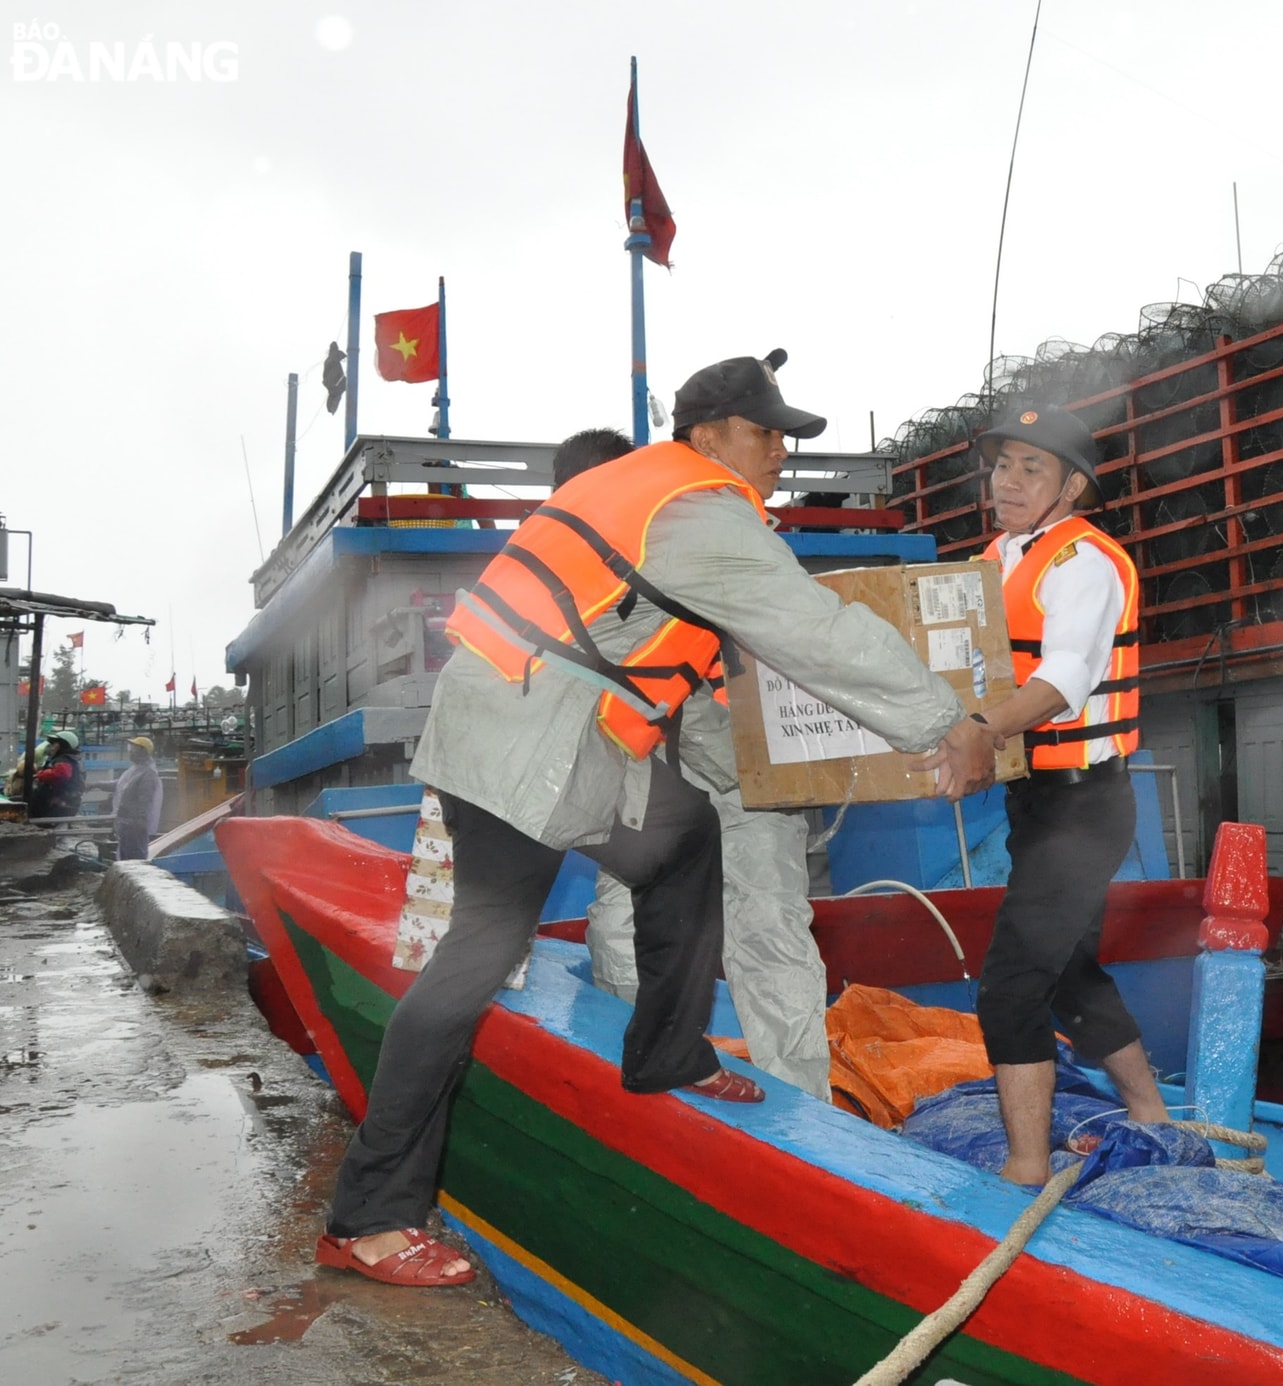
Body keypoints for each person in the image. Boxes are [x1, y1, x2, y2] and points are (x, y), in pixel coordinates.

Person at [316, 351, 1000, 1287]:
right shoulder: (697, 508)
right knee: (469, 964)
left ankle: (666, 1053)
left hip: (542, 730)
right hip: (523, 745)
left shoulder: (651, 493)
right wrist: (944, 723)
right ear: (712, 433)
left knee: (684, 846)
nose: (779, 456)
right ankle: (370, 1219)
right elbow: (814, 630)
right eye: (769, 435)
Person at [555, 426, 833, 1099]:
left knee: (767, 935)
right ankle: (646, 1070)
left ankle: (803, 1117)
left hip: (744, 771)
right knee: (622, 929)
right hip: (646, 775)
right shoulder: (566, 573)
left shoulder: (707, 543)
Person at [968, 405, 1171, 1187]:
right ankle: (1150, 1111)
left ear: (1073, 486)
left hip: (1085, 806)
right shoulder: (1000, 557)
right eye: (1002, 465)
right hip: (1038, 803)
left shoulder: (1082, 564)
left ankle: (1024, 1170)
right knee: (1070, 972)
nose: (1007, 482)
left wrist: (977, 732)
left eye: (1030, 469)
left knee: (1012, 984)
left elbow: (1063, 681)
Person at [112, 736, 163, 861]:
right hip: (126, 822)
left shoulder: (148, 774)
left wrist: (141, 819)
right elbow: (120, 785)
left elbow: (145, 799)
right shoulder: (135, 770)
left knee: (134, 857)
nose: (130, 751)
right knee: (125, 856)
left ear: (143, 751)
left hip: (134, 824)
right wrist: (96, 785)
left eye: (134, 748)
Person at [28, 729, 86, 820]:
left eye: (55, 744)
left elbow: (62, 773)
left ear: (63, 745)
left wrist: (40, 775)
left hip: (60, 804)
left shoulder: (65, 760)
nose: (52, 747)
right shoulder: (70, 760)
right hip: (62, 802)